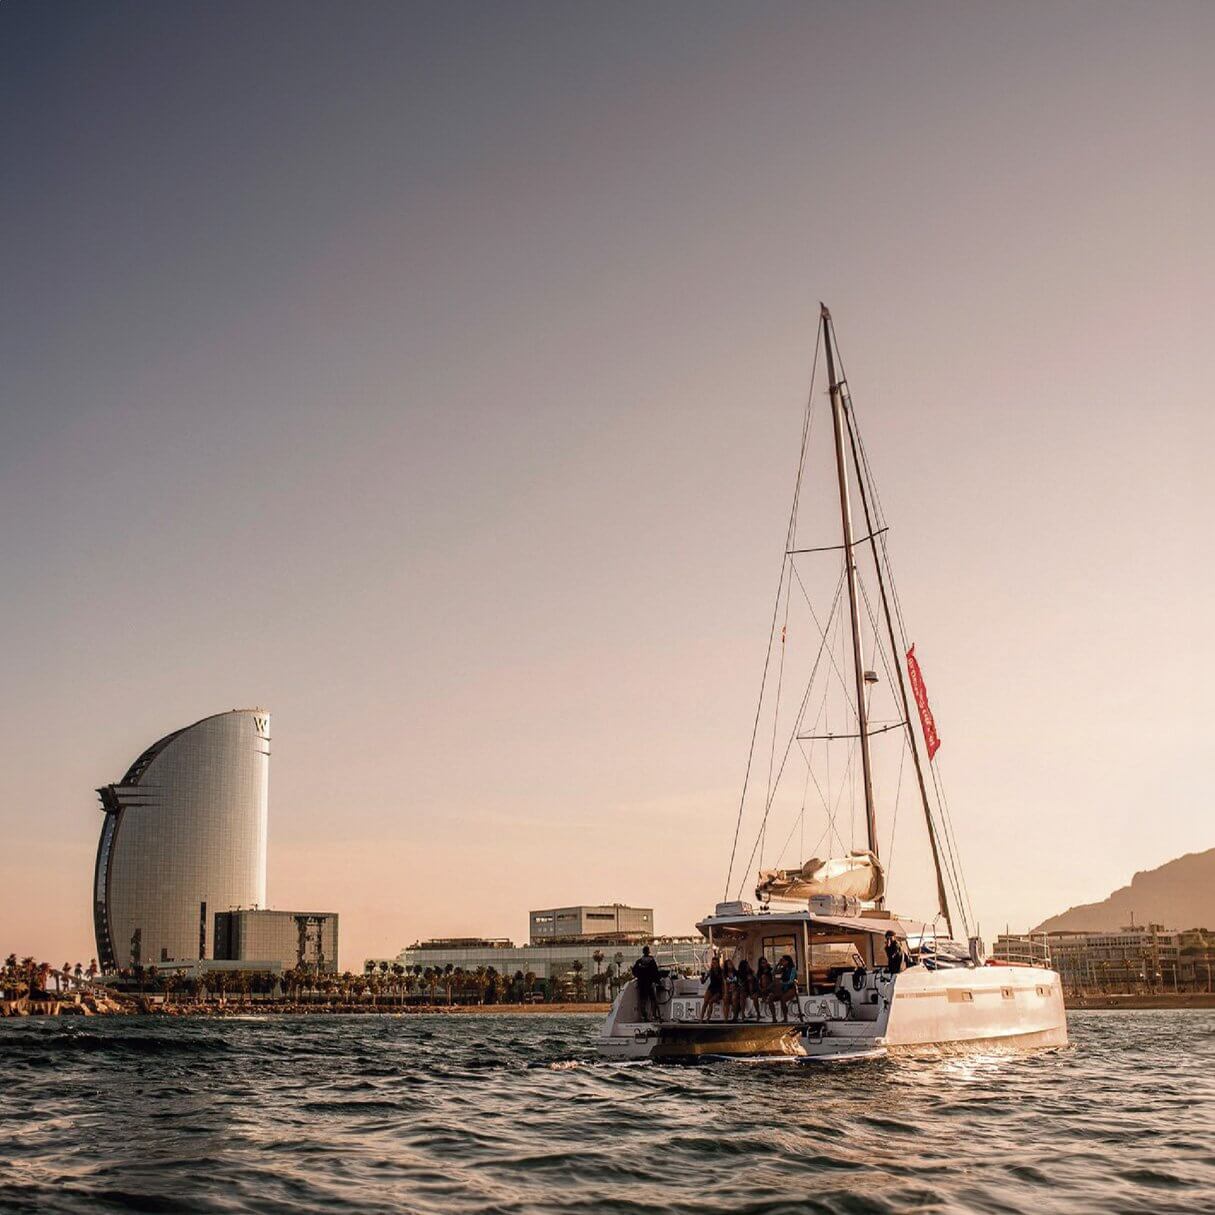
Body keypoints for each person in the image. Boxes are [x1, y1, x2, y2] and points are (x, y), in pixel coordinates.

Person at [631, 945, 661, 1021]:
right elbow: (655, 972)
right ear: (648, 952)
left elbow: (634, 971)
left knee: (643, 1001)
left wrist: (639, 977)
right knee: (653, 1000)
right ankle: (654, 1016)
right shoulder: (651, 961)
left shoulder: (639, 961)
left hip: (641, 983)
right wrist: (658, 981)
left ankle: (644, 1017)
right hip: (649, 983)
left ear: (643, 952)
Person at [770, 953, 802, 1023]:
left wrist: (782, 983)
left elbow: (791, 981)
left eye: (783, 961)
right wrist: (778, 964)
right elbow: (773, 972)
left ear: (787, 961)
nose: (782, 962)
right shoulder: (783, 969)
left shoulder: (792, 969)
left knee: (783, 999)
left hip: (791, 988)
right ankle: (774, 1018)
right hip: (783, 989)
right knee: (770, 998)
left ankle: (785, 1018)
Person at [700, 954, 725, 1021]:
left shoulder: (721, 971)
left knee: (710, 1002)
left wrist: (723, 992)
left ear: (718, 963)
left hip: (718, 989)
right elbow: (703, 982)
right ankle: (701, 1018)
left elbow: (723, 982)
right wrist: (702, 978)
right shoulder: (710, 971)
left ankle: (708, 1018)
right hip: (711, 988)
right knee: (705, 1002)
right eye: (713, 963)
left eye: (715, 963)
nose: (714, 964)